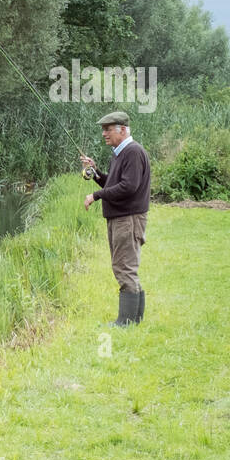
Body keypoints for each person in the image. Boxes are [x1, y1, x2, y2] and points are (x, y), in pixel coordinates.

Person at [80, 111, 151, 326]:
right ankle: (134, 319)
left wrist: (96, 196)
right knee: (125, 266)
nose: (104, 133)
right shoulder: (120, 153)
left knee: (124, 267)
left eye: (108, 129)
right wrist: (96, 173)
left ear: (122, 129)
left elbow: (129, 187)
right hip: (122, 218)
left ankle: (126, 321)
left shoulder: (132, 152)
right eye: (103, 129)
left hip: (127, 220)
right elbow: (114, 183)